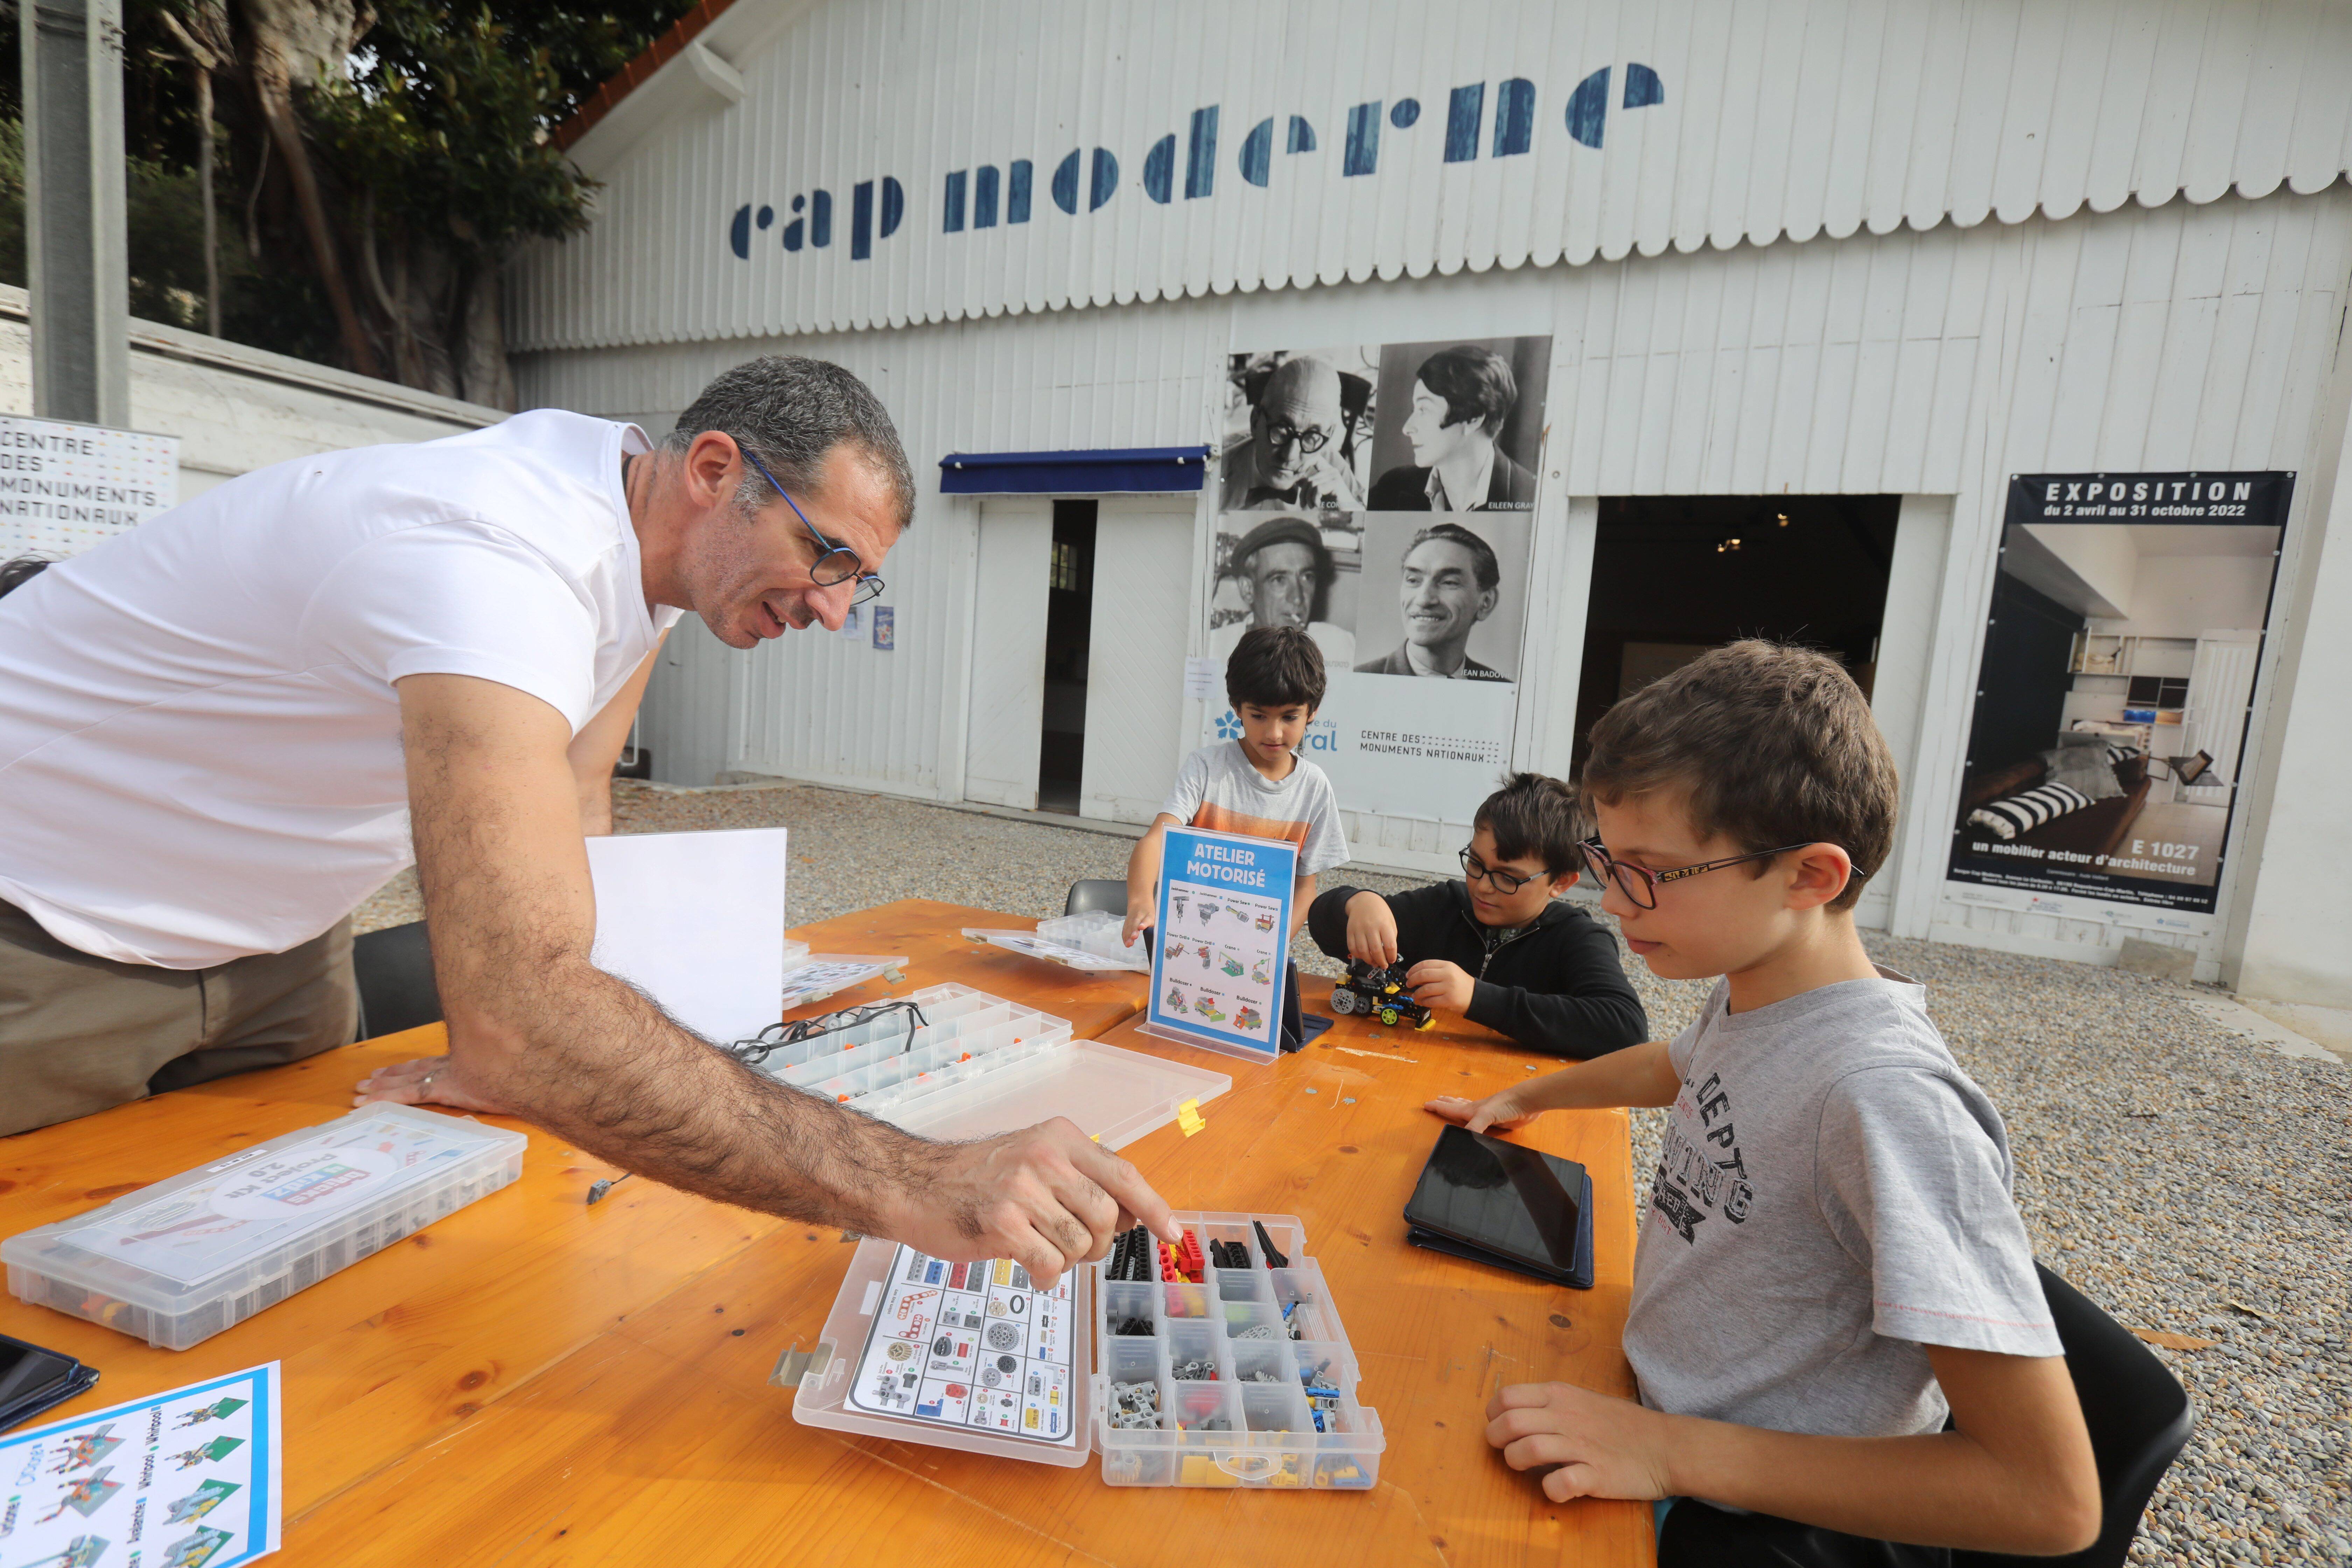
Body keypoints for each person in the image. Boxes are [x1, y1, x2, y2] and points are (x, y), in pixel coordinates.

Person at [0, 355, 1176, 1281]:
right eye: (825, 556)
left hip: (281, 942)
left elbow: (573, 796)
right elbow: (525, 1013)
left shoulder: (643, 552)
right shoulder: (494, 559)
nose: (829, 611)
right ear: (716, 470)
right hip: (49, 919)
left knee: (290, 1261)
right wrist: (919, 1183)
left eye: (855, 581)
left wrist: (545, 1027)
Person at [1429, 643, 2099, 1563]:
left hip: (1764, 1521)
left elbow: (2048, 1499)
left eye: (1648, 870)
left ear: (1809, 877)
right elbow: (1679, 1065)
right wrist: (1526, 1093)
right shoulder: (1758, 989)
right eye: (1607, 861)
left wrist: (1669, 1451)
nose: (1616, 902)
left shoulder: (1884, 1100)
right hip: (1661, 1409)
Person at [1308, 773, 1645, 1058]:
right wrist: (1358, 902)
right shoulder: (1445, 905)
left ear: (1560, 882)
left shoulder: (1577, 938)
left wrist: (1475, 997)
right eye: (1476, 864)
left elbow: (1625, 1030)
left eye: (1507, 877)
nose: (1483, 887)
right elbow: (1324, 927)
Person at [1123, 626, 1350, 1047]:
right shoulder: (1207, 768)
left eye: (1289, 717)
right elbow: (1157, 838)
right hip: (1188, 951)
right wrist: (1140, 899)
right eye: (1258, 715)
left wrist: (1273, 943)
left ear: (1312, 711)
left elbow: (1306, 887)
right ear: (1235, 707)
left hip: (1254, 963)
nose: (1274, 733)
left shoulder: (1315, 788)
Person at [1366, 344, 1536, 511]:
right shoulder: (1391, 489)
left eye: (1424, 410)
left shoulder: (1533, 496)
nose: (1407, 428)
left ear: (1473, 419)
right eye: (1415, 410)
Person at [1355, 522, 1510, 679]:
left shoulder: (1502, 686)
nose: (1424, 600)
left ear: (1486, 602)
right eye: (1413, 580)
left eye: (1449, 582)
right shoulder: (1359, 680)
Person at [1206, 515, 1356, 668]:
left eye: (1307, 577)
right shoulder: (1215, 648)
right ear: (1248, 590)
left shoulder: (1339, 647)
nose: (1297, 598)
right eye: (1279, 580)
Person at [1219, 355, 1365, 512]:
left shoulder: (1335, 469)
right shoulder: (1216, 471)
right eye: (1281, 432)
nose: (1290, 456)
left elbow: (1371, 528)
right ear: (1255, 423)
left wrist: (1349, 508)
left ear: (1328, 437)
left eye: (1311, 438)